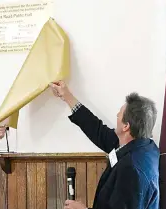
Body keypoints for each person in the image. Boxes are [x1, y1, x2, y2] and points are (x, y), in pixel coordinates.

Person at [49, 81, 160, 209]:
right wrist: (67, 97)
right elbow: (97, 130)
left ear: (126, 126)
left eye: (120, 113)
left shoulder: (132, 169)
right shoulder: (143, 147)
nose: (117, 115)